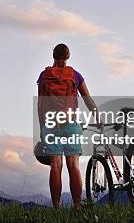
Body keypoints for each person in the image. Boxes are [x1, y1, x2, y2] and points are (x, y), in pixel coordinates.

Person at [37, 43, 98, 209]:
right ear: (68, 56)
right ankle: (77, 206)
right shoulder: (75, 75)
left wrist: (43, 129)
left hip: (51, 125)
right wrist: (97, 116)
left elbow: (41, 105)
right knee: (74, 166)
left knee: (56, 166)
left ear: (54, 57)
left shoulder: (44, 76)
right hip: (71, 124)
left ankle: (57, 208)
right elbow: (88, 100)